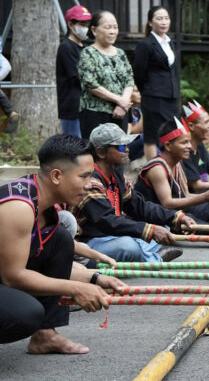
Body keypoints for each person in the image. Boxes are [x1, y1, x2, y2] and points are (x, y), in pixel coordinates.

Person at [0, 135, 126, 354]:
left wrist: (95, 277)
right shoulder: (19, 207)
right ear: (56, 176)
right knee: (26, 314)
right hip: (7, 276)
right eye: (84, 177)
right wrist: (76, 288)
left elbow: (42, 257)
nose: (90, 185)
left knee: (60, 239)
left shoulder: (44, 205)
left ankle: (45, 336)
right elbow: (14, 277)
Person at [72, 123, 195, 264]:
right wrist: (148, 230)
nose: (127, 150)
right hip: (90, 242)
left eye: (127, 145)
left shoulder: (116, 175)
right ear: (100, 152)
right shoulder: (91, 181)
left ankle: (141, 256)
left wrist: (175, 217)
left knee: (163, 227)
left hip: (112, 236)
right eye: (120, 147)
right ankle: (154, 260)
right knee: (129, 246)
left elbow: (139, 205)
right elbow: (106, 221)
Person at [134, 118, 209, 227]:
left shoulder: (178, 163)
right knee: (204, 225)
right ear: (168, 146)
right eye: (184, 143)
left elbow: (186, 195)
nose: (189, 146)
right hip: (156, 218)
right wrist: (204, 197)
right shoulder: (157, 168)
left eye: (189, 142)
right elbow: (167, 204)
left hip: (174, 213)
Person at [77, 10, 134, 140]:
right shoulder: (88, 53)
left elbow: (129, 80)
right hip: (96, 113)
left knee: (120, 152)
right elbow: (90, 84)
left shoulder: (120, 53)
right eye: (108, 27)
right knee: (97, 152)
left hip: (120, 112)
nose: (112, 31)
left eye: (115, 27)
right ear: (94, 30)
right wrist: (119, 100)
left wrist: (123, 103)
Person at [133, 6, 181, 160]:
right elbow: (139, 72)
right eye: (159, 18)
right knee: (152, 135)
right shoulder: (146, 44)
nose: (163, 22)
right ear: (149, 22)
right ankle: (152, 170)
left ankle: (171, 168)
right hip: (153, 95)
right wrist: (146, 90)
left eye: (166, 18)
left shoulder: (169, 42)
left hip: (170, 95)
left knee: (174, 131)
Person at [56, 5, 91, 137]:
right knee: (74, 150)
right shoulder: (66, 47)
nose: (86, 28)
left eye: (87, 23)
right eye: (82, 24)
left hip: (86, 107)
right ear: (71, 24)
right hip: (72, 108)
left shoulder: (85, 47)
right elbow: (79, 76)